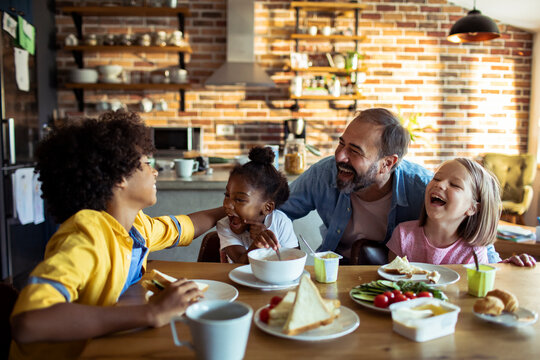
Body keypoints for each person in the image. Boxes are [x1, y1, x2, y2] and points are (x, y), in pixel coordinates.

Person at [9, 111, 225, 360]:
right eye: (146, 164)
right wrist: (151, 313)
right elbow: (29, 323)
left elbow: (181, 228)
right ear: (120, 177)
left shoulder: (134, 228)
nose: (154, 173)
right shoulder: (86, 235)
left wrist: (226, 210)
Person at [279, 108, 504, 264]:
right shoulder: (324, 174)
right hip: (333, 272)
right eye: (341, 143)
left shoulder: (426, 189)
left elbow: (473, 236)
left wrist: (501, 266)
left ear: (387, 163)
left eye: (355, 151)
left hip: (387, 281)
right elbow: (277, 210)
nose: (340, 156)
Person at [387, 158, 537, 266]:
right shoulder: (402, 235)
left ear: (472, 208)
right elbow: (392, 281)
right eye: (437, 178)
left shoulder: (475, 251)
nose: (440, 184)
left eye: (455, 185)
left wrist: (508, 266)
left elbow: (481, 285)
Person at [217, 146, 298, 263]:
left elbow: (294, 261)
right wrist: (257, 245)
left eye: (240, 199)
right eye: (227, 195)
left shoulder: (280, 222)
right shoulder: (225, 225)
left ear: (267, 207)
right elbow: (239, 264)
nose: (227, 205)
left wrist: (267, 243)